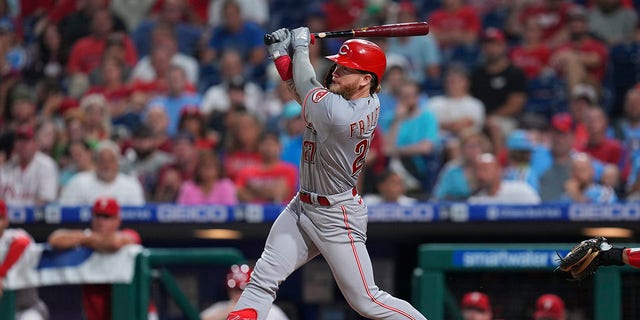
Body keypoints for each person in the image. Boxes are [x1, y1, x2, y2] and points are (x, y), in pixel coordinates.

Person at [225, 27, 428, 320]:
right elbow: (302, 91)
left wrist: (300, 48)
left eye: (346, 69)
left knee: (367, 300)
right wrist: (281, 54)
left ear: (365, 80)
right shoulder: (342, 102)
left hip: (336, 214)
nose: (336, 72)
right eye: (338, 66)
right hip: (303, 205)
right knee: (262, 279)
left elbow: (306, 84)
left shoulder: (342, 115)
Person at [48, 197, 141, 320]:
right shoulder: (87, 237)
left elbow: (116, 243)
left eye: (106, 217)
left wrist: (86, 239)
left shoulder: (129, 234)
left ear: (118, 220)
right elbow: (54, 239)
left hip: (134, 312)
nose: (101, 221)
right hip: (95, 313)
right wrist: (89, 238)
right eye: (98, 216)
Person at [0, 199, 49, 320]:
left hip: (25, 308)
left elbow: (22, 243)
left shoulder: (14, 236)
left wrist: (0, 274)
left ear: (6, 220)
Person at [200, 264, 289, 320]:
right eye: (235, 290)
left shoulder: (271, 311)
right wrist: (228, 312)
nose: (238, 295)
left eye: (242, 290)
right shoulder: (221, 308)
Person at [468, 153, 541, 204]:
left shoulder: (521, 191)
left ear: (498, 170)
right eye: (477, 170)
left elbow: (538, 213)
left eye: (485, 169)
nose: (480, 174)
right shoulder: (475, 201)